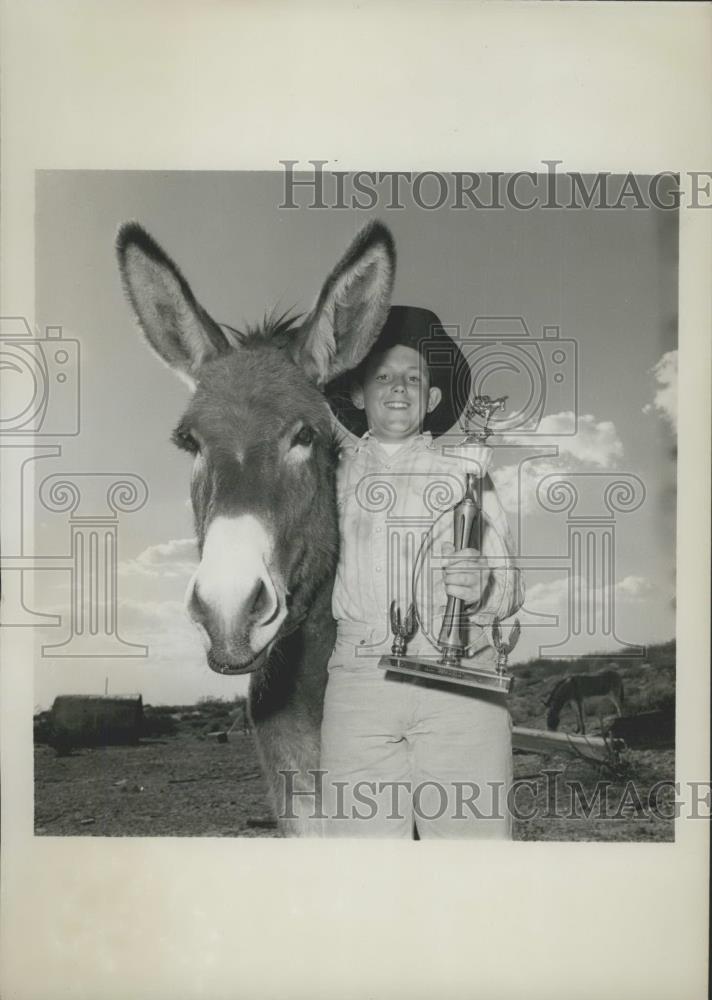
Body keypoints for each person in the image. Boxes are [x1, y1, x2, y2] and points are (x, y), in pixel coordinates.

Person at [321, 305, 524, 838]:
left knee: (471, 866)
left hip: (462, 682)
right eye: (382, 376)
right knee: (361, 870)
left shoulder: (467, 473)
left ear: (432, 399)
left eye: (414, 378)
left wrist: (484, 587)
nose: (398, 388)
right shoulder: (328, 478)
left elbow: (509, 586)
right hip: (359, 682)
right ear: (357, 394)